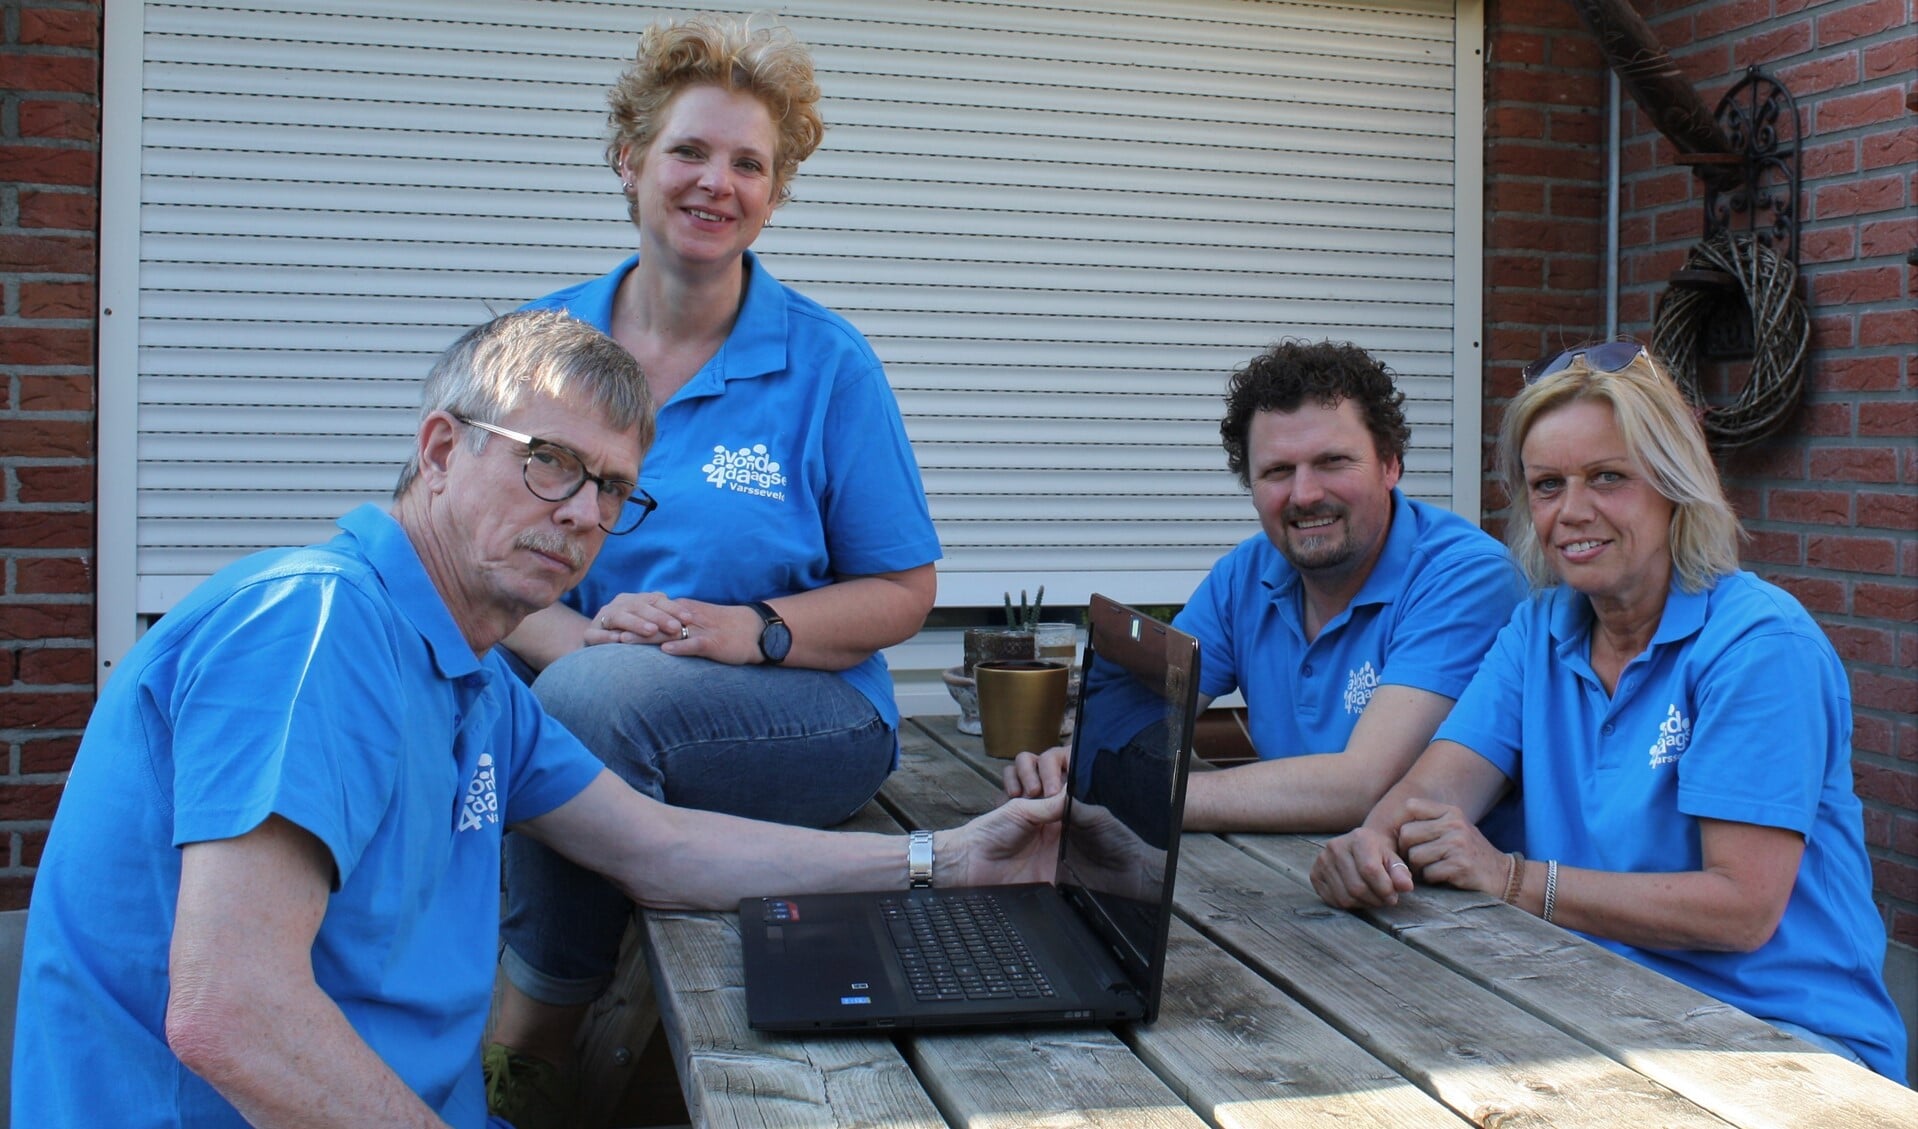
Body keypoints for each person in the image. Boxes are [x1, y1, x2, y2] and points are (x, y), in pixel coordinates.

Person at [10, 311, 1063, 1129]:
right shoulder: (314, 627)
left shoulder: (474, 683)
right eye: (548, 461)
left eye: (613, 489)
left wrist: (946, 857)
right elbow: (229, 1014)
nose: (584, 514)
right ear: (437, 450)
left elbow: (663, 846)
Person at [491, 14, 943, 1090]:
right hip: (584, 684)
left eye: (749, 163)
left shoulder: (827, 366)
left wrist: (752, 630)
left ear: (774, 195)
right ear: (629, 159)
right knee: (552, 703)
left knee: (579, 715)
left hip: (808, 708)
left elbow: (905, 590)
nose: (715, 182)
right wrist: (586, 639)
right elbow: (480, 560)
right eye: (689, 150)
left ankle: (528, 1053)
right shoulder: (544, 346)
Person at [1310, 343, 1907, 1081]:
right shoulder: (1539, 630)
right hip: (1599, 1007)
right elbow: (1435, 791)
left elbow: (1740, 907)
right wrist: (1369, 843)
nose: (1573, 512)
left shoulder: (1759, 646)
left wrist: (1511, 878)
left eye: (1608, 478)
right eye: (1548, 485)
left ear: (1674, 484)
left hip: (1783, 1040)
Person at [1006, 340, 1525, 836]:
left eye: (1332, 462)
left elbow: (1364, 786)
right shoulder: (1247, 573)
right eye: (1278, 471)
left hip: (1456, 912)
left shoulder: (1465, 576)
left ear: (1390, 464)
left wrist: (1129, 790)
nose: (1305, 494)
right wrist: (1070, 764)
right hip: (1296, 886)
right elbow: (1152, 710)